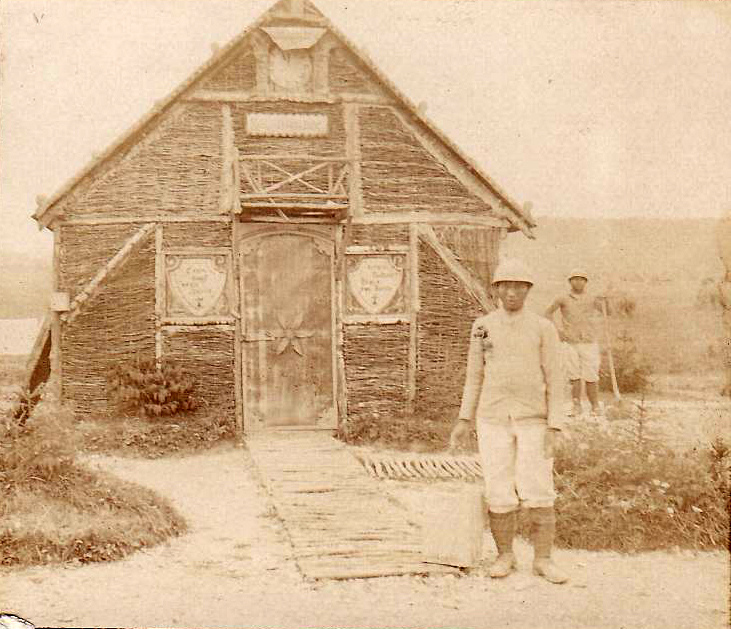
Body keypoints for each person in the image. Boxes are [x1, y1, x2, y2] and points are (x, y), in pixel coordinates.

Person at [450, 258, 567, 584]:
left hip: (534, 420)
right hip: (493, 419)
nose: (512, 292)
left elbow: (556, 378)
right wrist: (464, 419)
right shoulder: (483, 326)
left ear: (528, 290)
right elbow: (474, 376)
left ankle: (543, 559)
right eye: (506, 286)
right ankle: (505, 556)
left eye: (519, 286)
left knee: (538, 485)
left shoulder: (544, 328)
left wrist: (555, 424)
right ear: (497, 289)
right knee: (498, 486)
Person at [545, 269, 603, 417]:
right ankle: (576, 406)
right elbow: (547, 312)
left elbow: (607, 312)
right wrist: (557, 331)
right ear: (570, 281)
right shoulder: (563, 298)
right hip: (570, 342)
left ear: (586, 282)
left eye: (582, 279)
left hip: (589, 341)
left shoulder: (592, 298)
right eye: (575, 279)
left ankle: (595, 406)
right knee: (574, 375)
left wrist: (605, 301)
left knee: (591, 375)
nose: (578, 282)